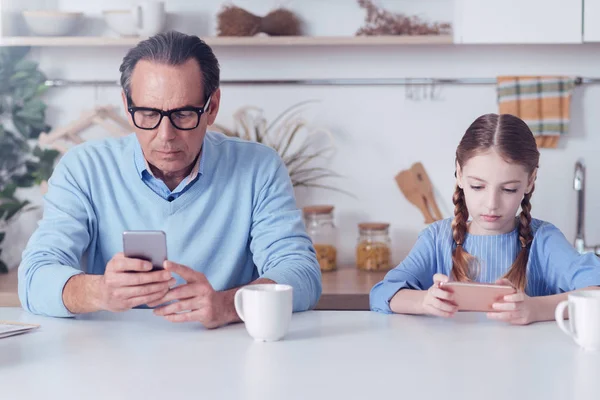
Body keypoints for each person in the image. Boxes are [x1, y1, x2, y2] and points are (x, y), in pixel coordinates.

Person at [18, 31, 322, 328]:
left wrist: (229, 304)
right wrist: (99, 291)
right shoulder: (84, 168)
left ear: (211, 107)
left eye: (184, 114)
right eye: (148, 114)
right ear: (127, 106)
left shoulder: (259, 167)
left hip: (227, 354)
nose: (166, 136)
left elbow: (301, 272)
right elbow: (34, 277)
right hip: (111, 361)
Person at [370, 113, 600, 325]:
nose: (491, 204)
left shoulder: (543, 240)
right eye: (478, 186)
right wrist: (423, 301)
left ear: (530, 181)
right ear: (459, 174)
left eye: (508, 189)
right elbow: (382, 293)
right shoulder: (436, 239)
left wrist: (536, 308)